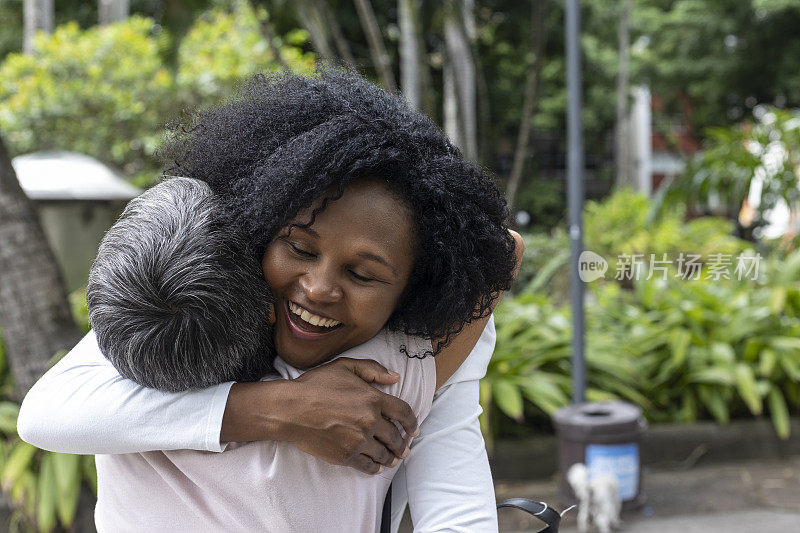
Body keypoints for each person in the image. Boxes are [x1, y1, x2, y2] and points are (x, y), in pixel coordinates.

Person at [18, 67, 522, 531]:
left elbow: (453, 496)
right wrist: (281, 408)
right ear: (259, 224)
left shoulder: (401, 363)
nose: (319, 288)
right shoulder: (192, 309)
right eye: (299, 247)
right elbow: (44, 412)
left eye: (363, 274)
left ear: (417, 287)